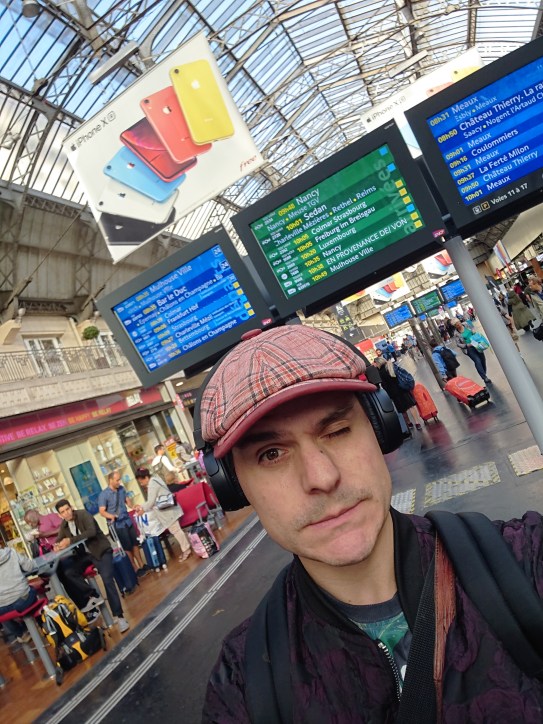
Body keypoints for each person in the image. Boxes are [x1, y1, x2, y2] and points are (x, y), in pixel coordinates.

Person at [198, 325, 543, 722]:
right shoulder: (242, 683)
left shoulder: (524, 560)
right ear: (233, 488)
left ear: (382, 427)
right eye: (271, 453)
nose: (322, 477)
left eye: (337, 431)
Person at [54, 499, 130, 634]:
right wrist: (57, 545)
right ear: (60, 515)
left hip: (100, 550)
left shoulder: (83, 514)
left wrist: (70, 540)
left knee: (107, 580)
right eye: (63, 512)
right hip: (85, 556)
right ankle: (92, 595)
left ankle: (120, 617)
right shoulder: (64, 525)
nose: (66, 513)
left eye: (67, 509)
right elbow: (59, 539)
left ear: (71, 507)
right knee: (67, 573)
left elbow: (91, 532)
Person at [23, 508, 102, 615]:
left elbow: (64, 528)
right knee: (63, 580)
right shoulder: (37, 529)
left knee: (67, 573)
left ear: (34, 516)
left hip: (69, 554)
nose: (30, 524)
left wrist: (44, 534)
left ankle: (92, 595)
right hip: (57, 559)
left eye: (29, 521)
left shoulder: (51, 517)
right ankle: (85, 608)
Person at [134, 468, 192, 562]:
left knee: (176, 531)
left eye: (141, 481)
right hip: (171, 510)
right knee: (176, 530)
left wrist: (142, 510)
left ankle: (186, 550)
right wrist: (141, 506)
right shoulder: (156, 479)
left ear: (146, 478)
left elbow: (151, 502)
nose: (141, 484)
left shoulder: (152, 485)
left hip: (168, 512)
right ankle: (185, 549)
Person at [98, 470, 148, 578]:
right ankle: (135, 568)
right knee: (127, 547)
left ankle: (141, 564)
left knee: (135, 543)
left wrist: (133, 506)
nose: (119, 482)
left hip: (127, 520)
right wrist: (111, 516)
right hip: (118, 524)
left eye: (119, 480)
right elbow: (102, 511)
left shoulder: (121, 489)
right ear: (110, 480)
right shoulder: (104, 495)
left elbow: (127, 500)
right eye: (117, 480)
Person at [0, 547, 38, 644]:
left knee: (3, 614)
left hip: (3, 608)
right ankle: (40, 622)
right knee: (32, 590)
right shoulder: (11, 552)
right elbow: (30, 567)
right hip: (23, 601)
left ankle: (21, 633)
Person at [373, 357, 423, 430]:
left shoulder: (381, 372)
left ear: (378, 363)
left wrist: (389, 395)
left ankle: (409, 423)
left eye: (374, 363)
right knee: (411, 406)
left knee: (402, 410)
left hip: (394, 393)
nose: (374, 365)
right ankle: (417, 423)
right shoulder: (391, 365)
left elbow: (385, 385)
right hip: (402, 388)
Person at [454, 320, 491, 384]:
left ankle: (483, 373)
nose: (459, 325)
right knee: (477, 361)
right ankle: (484, 377)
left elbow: (473, 328)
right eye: (457, 325)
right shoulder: (456, 333)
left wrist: (473, 331)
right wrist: (466, 345)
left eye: (459, 323)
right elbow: (458, 344)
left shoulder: (466, 324)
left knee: (483, 359)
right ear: (455, 326)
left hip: (476, 344)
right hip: (469, 348)